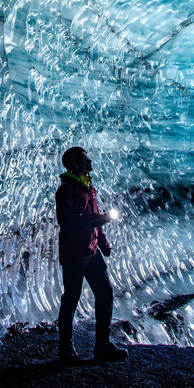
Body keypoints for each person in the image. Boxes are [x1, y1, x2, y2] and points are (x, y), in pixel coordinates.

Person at [55, 146, 128, 364]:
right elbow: (67, 221)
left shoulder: (89, 188)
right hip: (74, 254)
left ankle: (102, 346)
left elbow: (93, 218)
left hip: (92, 251)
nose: (90, 163)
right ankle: (66, 349)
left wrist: (103, 242)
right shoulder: (66, 190)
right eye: (86, 160)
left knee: (105, 294)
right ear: (75, 164)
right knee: (71, 299)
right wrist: (100, 219)